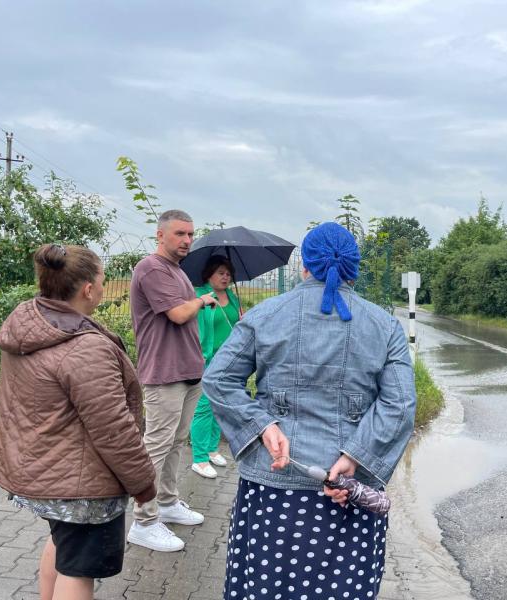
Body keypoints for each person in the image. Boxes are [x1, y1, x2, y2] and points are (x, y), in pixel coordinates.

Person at [203, 221, 417, 600]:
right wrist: (355, 456)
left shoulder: (265, 314)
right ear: (353, 269)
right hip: (347, 490)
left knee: (267, 586)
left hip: (274, 484)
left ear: (305, 266)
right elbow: (398, 404)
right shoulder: (385, 325)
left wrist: (263, 425)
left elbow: (218, 380)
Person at [0, 244, 156, 600]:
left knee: (61, 545)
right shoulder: (85, 348)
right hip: (82, 484)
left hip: (44, 470)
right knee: (78, 571)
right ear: (87, 289)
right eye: (101, 279)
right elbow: (113, 430)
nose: (102, 286)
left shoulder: (29, 322)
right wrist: (143, 484)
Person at [127, 209, 218, 552]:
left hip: (188, 371)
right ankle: (144, 521)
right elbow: (179, 315)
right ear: (160, 235)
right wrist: (201, 299)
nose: (187, 241)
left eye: (191, 234)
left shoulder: (176, 271)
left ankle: (167, 502)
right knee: (157, 446)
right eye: (180, 234)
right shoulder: (151, 268)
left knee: (177, 443)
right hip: (164, 374)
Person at [190, 255, 241, 478]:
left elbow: (233, 324)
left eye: (228, 273)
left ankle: (212, 449)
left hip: (228, 359)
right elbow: (194, 326)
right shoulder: (199, 295)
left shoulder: (230, 295)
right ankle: (199, 458)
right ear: (209, 274)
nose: (225, 277)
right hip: (206, 358)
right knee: (203, 406)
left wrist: (241, 319)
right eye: (220, 272)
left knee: (219, 404)